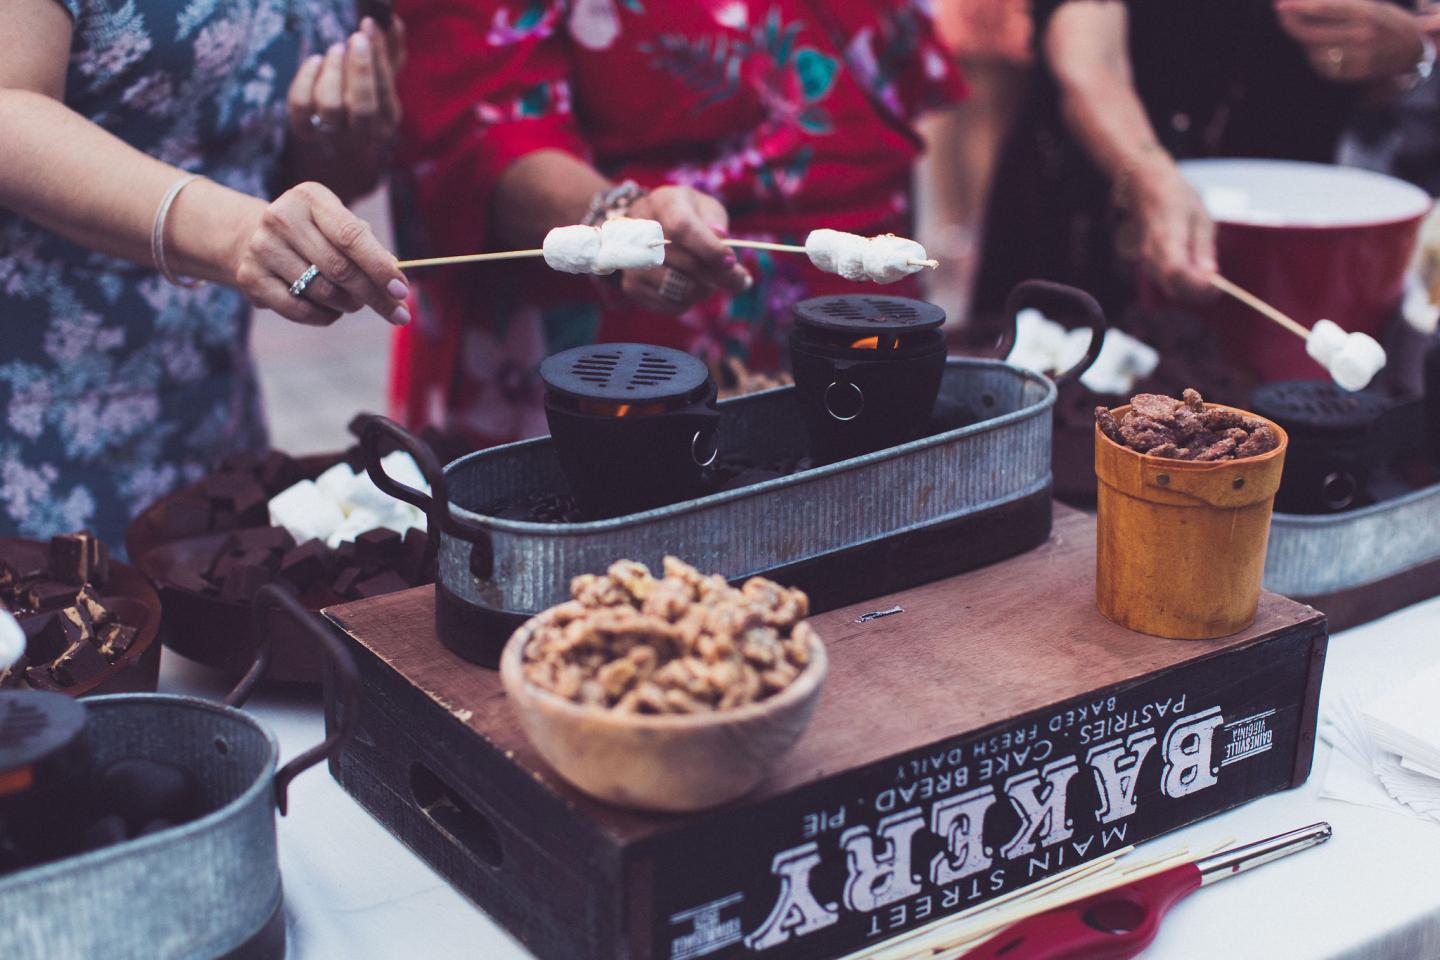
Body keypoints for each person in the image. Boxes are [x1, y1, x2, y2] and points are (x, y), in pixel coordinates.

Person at [387, 0, 966, 445]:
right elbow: (476, 125)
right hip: (625, 357)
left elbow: (886, 94)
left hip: (854, 325)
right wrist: (621, 220)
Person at [1, 0, 413, 546]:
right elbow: (8, 109)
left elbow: (300, 166)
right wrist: (235, 232)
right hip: (33, 420)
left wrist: (337, 135)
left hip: (213, 403)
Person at [972, 0, 1434, 319]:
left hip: (1287, 230)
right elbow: (1089, 61)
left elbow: (1395, 63)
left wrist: (1408, 55)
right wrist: (1150, 176)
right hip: (1087, 211)